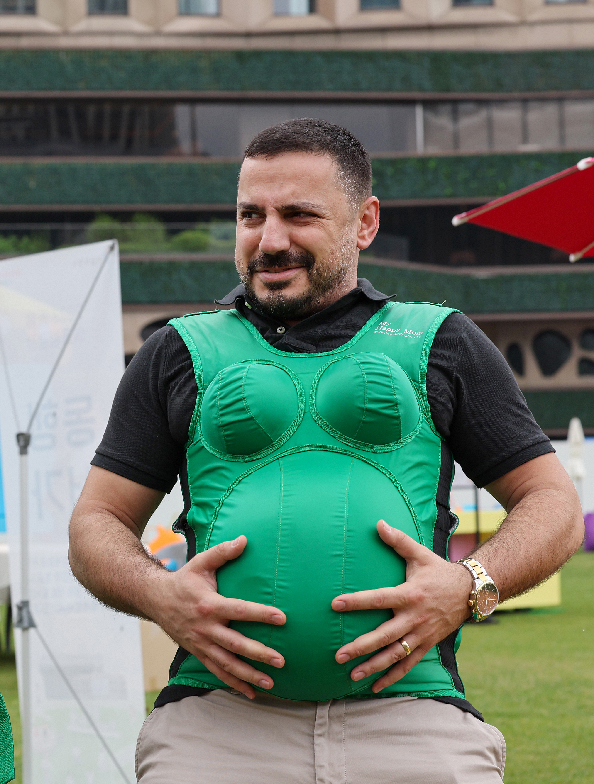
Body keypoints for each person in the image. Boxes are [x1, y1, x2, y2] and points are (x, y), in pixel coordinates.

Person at [68, 119, 584, 783]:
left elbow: (553, 504)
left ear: (365, 222)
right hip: (221, 727)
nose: (269, 239)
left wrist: (467, 587)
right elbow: (95, 524)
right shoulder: (177, 351)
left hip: (410, 719)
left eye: (298, 214)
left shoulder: (443, 342)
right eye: (250, 215)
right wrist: (162, 596)